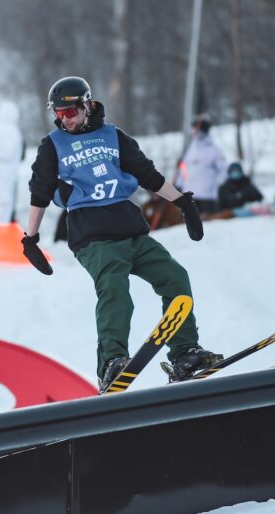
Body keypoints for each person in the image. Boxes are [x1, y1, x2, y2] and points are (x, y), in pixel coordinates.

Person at [22, 76, 221, 391]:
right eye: (59, 114)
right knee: (115, 290)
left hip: (131, 231)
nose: (65, 119)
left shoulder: (113, 137)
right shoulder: (53, 145)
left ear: (87, 105)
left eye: (70, 112)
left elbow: (147, 175)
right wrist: (30, 238)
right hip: (93, 238)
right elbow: (40, 191)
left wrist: (183, 203)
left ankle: (185, 352)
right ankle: (112, 362)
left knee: (175, 277)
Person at [179, 116, 227, 214]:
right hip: (190, 194)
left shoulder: (213, 149)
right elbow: (184, 167)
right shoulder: (191, 148)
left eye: (195, 129)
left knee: (209, 223)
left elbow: (223, 170)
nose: (193, 132)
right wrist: (180, 183)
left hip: (207, 195)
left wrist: (220, 185)